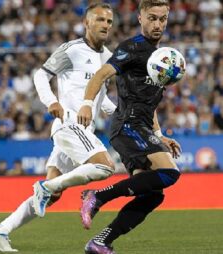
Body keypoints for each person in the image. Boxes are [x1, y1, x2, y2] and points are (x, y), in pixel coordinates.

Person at [0, 3, 116, 252]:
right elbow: (40, 75)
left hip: (82, 131)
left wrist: (119, 111)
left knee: (53, 194)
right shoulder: (72, 50)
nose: (105, 25)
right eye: (100, 20)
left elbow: (102, 99)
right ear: (87, 23)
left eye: (109, 22)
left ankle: (0, 231)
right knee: (105, 166)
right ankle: (45, 187)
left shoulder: (107, 57)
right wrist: (51, 101)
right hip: (69, 124)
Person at [77, 1, 182, 253]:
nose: (158, 24)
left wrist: (159, 136)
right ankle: (98, 196)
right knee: (170, 173)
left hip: (142, 127)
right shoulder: (132, 48)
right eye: (152, 18)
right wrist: (86, 104)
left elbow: (150, 102)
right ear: (140, 18)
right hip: (127, 125)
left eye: (163, 19)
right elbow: (101, 75)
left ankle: (101, 241)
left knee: (153, 194)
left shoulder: (160, 57)